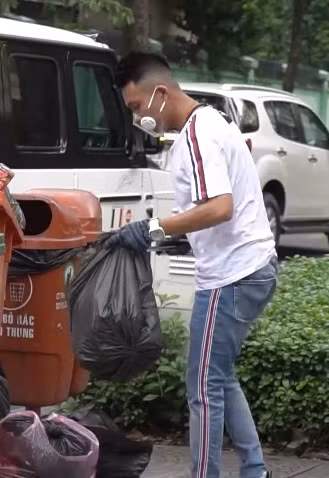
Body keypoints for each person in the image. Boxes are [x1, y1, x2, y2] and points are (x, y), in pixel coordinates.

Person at [107, 51, 278, 478]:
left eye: (137, 107)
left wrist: (155, 228)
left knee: (202, 386)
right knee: (218, 375)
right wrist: (166, 235)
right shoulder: (200, 128)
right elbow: (208, 212)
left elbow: (220, 207)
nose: (137, 118)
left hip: (233, 276)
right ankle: (255, 470)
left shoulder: (200, 133)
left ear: (161, 93)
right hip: (244, 269)